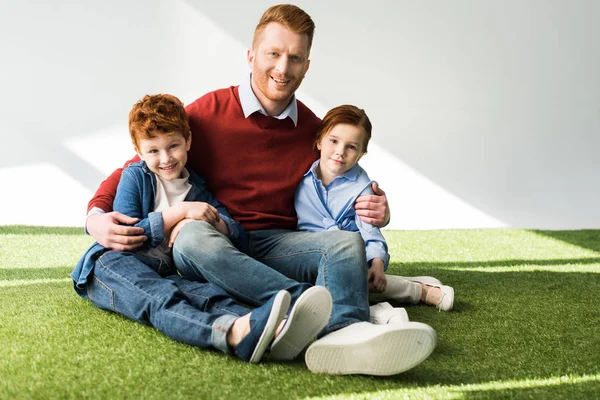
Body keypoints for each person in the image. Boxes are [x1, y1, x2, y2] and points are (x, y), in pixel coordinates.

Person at [85, 4, 436, 376]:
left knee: (346, 244)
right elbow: (140, 163)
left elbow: (349, 183)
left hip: (278, 244)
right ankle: (317, 307)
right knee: (190, 236)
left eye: (295, 58)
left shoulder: (314, 132)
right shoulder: (206, 114)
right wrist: (95, 217)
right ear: (252, 56)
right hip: (213, 244)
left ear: (306, 65)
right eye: (273, 54)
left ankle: (347, 335)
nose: (283, 69)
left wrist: (379, 211)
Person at [71, 94, 332, 364]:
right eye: (153, 151)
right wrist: (180, 213)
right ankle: (232, 334)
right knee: (161, 300)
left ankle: (274, 328)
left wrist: (212, 221)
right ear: (139, 152)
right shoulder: (135, 176)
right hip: (110, 263)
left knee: (205, 295)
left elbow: (234, 230)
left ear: (188, 142)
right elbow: (131, 235)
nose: (165, 158)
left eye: (173, 146)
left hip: (163, 269)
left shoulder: (196, 186)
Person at [294, 105, 455, 323]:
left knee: (343, 280)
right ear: (319, 141)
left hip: (350, 256)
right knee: (312, 287)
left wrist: (377, 262)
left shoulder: (362, 188)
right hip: (310, 254)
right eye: (334, 141)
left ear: (361, 154)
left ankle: (415, 295)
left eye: (351, 147)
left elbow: (370, 231)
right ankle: (394, 302)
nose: (340, 152)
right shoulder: (301, 177)